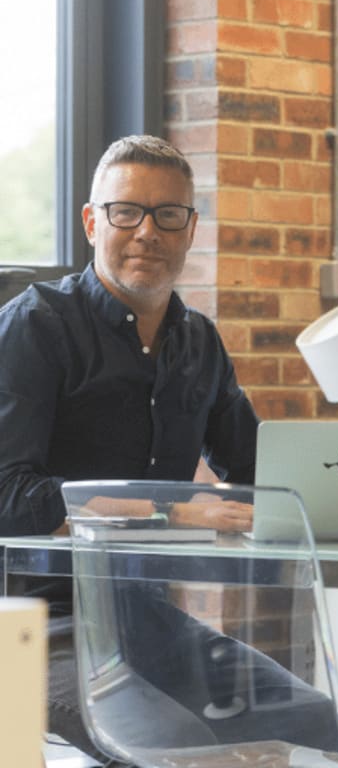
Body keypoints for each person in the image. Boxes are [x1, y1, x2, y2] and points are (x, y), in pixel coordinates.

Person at [0, 134, 260, 763]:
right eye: (126, 212)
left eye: (168, 215)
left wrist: (335, 496)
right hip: (28, 625)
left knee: (305, 720)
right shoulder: (34, 325)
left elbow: (258, 471)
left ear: (190, 229)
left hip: (144, 621)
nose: (147, 231)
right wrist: (171, 510)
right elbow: (7, 497)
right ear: (93, 223)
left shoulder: (199, 342)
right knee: (177, 748)